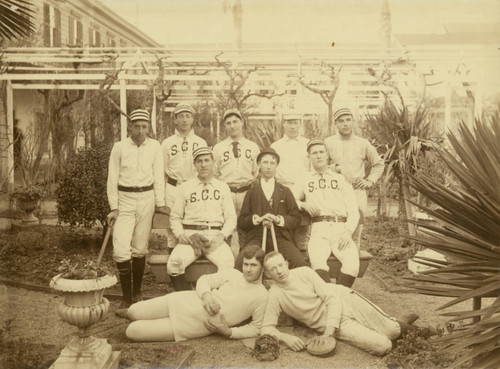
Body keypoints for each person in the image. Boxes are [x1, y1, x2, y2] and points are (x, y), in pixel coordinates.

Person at [261, 252, 422, 356]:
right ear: (268, 274)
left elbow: (332, 300)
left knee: (392, 330)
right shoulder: (275, 294)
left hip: (345, 301)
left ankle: (421, 331)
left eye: (281, 265)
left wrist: (329, 332)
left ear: (287, 264)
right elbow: (266, 328)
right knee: (383, 346)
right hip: (337, 324)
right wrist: (285, 338)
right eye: (273, 269)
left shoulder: (304, 273)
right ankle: (395, 324)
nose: (279, 271)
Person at [125, 245, 268, 342]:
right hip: (185, 301)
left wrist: (229, 332)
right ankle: (131, 312)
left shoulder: (261, 295)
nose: (248, 269)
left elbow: (256, 328)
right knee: (133, 311)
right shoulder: (233, 274)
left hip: (193, 324)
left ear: (262, 268)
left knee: (132, 331)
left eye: (254, 265)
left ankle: (141, 319)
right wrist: (207, 296)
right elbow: (204, 280)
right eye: (246, 264)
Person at [106, 109, 168, 314]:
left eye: (144, 126)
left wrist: (160, 203)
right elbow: (112, 178)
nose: (140, 130)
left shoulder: (155, 147)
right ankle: (125, 296)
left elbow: (158, 176)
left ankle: (136, 292)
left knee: (140, 247)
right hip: (125, 199)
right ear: (129, 127)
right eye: (136, 126)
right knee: (121, 248)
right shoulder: (119, 147)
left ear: (148, 127)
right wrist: (114, 207)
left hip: (147, 199)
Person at [167, 146, 236, 291]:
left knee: (228, 264)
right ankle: (188, 299)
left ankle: (215, 297)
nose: (203, 165)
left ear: (213, 163)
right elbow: (175, 217)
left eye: (206, 160)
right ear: (195, 164)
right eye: (199, 161)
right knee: (173, 265)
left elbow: (231, 218)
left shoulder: (222, 187)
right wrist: (181, 234)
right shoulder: (185, 187)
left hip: (214, 236)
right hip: (191, 235)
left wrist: (222, 235)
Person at [293, 139, 359, 287]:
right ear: (309, 157)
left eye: (321, 152)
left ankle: (339, 297)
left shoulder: (341, 179)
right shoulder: (304, 178)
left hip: (341, 229)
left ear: (327, 155)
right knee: (318, 264)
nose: (318, 156)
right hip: (319, 230)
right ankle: (331, 299)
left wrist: (348, 232)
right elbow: (290, 200)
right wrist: (303, 204)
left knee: (352, 265)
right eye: (314, 153)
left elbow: (354, 212)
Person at [236, 148, 308, 270]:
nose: (268, 166)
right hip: (256, 237)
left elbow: (296, 219)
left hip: (281, 237)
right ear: (259, 165)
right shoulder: (252, 192)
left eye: (272, 163)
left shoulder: (285, 191)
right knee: (240, 264)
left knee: (300, 263)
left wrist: (278, 219)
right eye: (265, 162)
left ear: (276, 166)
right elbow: (242, 221)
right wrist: (256, 219)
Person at [325, 107, 384, 249]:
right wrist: (335, 168)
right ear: (335, 124)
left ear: (353, 122)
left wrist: (369, 181)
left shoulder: (363, 143)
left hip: (356, 192)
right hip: (334, 192)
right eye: (341, 121)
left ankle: (354, 267)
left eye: (348, 120)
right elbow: (318, 166)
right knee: (333, 232)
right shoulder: (328, 143)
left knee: (355, 233)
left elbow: (378, 164)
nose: (345, 124)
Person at [161, 103, 207, 249]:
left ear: (192, 119)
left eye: (188, 116)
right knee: (173, 230)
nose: (184, 120)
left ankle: (193, 264)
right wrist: (162, 196)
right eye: (181, 116)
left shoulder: (200, 142)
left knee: (193, 224)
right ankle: (173, 267)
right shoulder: (167, 143)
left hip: (193, 186)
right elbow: (162, 171)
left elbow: (205, 169)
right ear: (175, 119)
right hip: (173, 187)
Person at [213, 109, 260, 250]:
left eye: (235, 122)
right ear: (225, 126)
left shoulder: (252, 147)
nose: (232, 126)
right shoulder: (218, 148)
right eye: (228, 123)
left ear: (242, 123)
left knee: (245, 228)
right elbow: (214, 173)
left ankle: (244, 260)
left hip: (246, 191)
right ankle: (226, 260)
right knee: (226, 228)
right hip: (227, 191)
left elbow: (256, 172)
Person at [271, 114, 311, 251]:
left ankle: (302, 262)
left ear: (300, 123)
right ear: (283, 124)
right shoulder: (276, 146)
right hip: (283, 190)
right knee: (283, 231)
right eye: (289, 123)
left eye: (295, 122)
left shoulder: (308, 144)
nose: (293, 126)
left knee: (302, 235)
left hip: (303, 193)